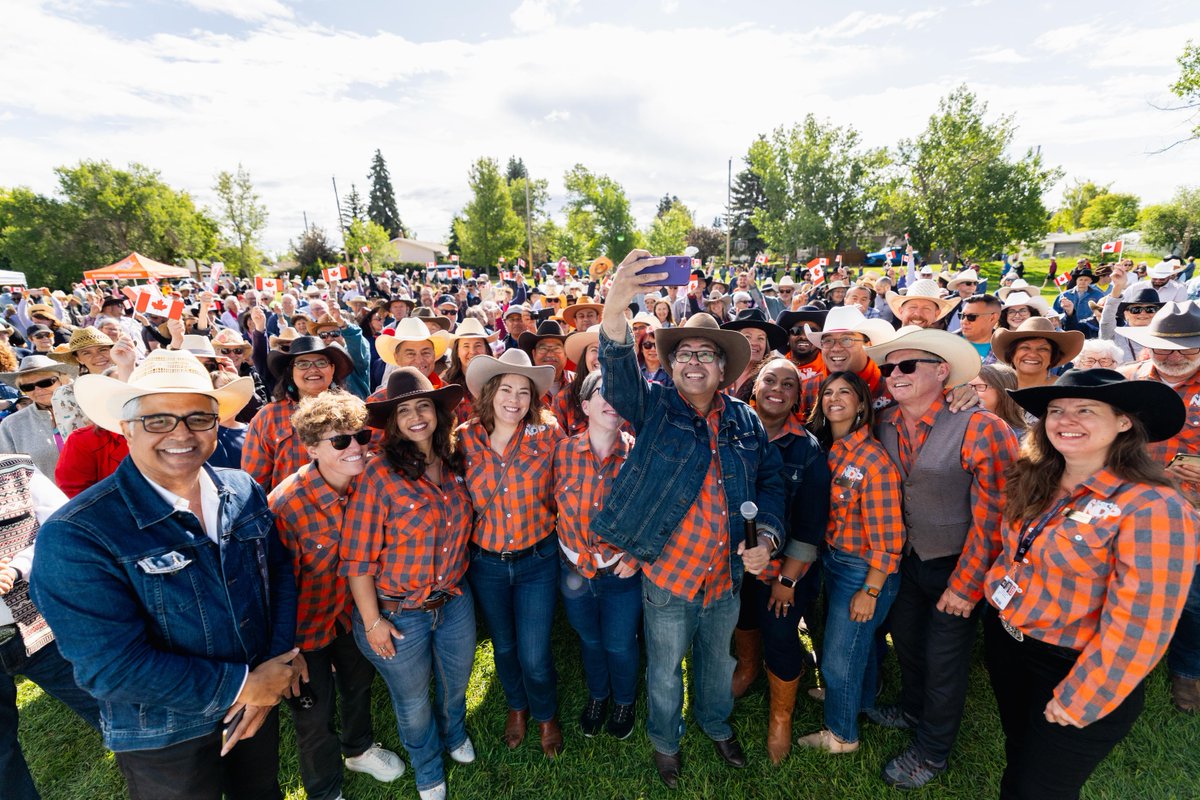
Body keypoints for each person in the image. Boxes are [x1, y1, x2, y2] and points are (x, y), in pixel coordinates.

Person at [30, 349, 302, 800]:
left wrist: (274, 669)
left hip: (258, 696)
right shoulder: (76, 534)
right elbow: (109, 668)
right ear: (126, 427)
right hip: (161, 731)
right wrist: (245, 685)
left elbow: (277, 573)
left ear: (217, 425)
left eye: (198, 418)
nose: (181, 433)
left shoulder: (242, 487)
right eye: (159, 419)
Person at [594, 251, 785, 789]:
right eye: (684, 354)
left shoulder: (746, 419)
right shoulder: (653, 406)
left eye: (706, 354)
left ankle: (716, 723)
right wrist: (615, 301)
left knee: (716, 661)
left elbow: (769, 483)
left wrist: (767, 537)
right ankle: (664, 740)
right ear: (670, 365)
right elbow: (616, 372)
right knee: (663, 668)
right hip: (669, 573)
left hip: (726, 573)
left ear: (725, 369)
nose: (694, 361)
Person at [984, 370, 1200, 798]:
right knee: (1021, 754)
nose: (1067, 419)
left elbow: (1143, 624)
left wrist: (1083, 696)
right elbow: (1015, 554)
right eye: (1057, 410)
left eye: (1086, 410)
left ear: (1124, 422)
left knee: (1038, 789)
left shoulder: (1153, 505)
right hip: (1010, 641)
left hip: (1076, 665)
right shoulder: (1038, 475)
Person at [863, 327, 1019, 789]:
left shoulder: (982, 426)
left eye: (907, 366)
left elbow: (998, 516)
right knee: (908, 643)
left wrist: (966, 585)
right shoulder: (883, 419)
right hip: (905, 560)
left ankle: (932, 751)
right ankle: (913, 709)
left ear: (942, 372)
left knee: (944, 659)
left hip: (956, 563)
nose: (894, 375)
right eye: (889, 368)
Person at [339, 369, 478, 800]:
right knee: (413, 700)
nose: (416, 416)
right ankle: (427, 766)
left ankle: (454, 732)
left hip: (453, 600)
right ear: (393, 422)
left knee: (457, 681)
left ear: (437, 412)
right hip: (397, 612)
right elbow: (357, 560)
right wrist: (373, 621)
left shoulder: (455, 458)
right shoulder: (379, 474)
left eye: (423, 406)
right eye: (404, 411)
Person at [269, 393, 405, 800]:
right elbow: (275, 590)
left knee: (358, 685)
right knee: (314, 716)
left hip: (350, 615)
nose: (356, 448)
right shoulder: (286, 505)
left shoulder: (368, 483)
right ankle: (325, 791)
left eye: (360, 437)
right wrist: (286, 652)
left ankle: (359, 749)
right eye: (340, 442)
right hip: (303, 633)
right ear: (311, 448)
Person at [458, 349, 565, 757]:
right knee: (503, 647)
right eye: (506, 389)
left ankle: (545, 714)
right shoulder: (463, 437)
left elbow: (567, 488)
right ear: (490, 392)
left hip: (537, 559)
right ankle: (517, 707)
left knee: (534, 653)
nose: (515, 400)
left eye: (524, 391)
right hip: (486, 563)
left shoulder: (548, 434)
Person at [797, 371, 904, 755]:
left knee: (841, 657)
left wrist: (871, 590)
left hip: (863, 570)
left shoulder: (872, 461)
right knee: (859, 644)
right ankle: (856, 701)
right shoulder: (832, 447)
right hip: (837, 561)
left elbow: (889, 539)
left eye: (845, 392)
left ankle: (842, 736)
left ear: (862, 403)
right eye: (828, 392)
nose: (834, 398)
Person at [738, 357, 830, 764]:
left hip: (785, 570)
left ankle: (781, 717)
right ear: (754, 388)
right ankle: (746, 669)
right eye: (769, 380)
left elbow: (811, 526)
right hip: (737, 565)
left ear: (797, 396)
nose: (777, 388)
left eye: (788, 384)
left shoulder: (807, 448)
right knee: (744, 621)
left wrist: (787, 580)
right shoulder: (733, 431)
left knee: (780, 634)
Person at [0, 454, 101, 800]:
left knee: (110, 706)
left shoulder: (17, 471)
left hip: (43, 626)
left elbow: (65, 527)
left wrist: (15, 567)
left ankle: (178, 772)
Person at [1118, 301, 1200, 712]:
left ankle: (1188, 672)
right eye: (1164, 346)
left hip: (1192, 516)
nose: (1174, 355)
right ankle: (1124, 665)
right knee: (1126, 589)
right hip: (1125, 510)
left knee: (1193, 598)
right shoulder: (1126, 380)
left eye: (1188, 347)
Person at [553, 371, 641, 741]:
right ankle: (598, 695)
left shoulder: (638, 454)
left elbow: (653, 511)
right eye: (603, 394)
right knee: (589, 639)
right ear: (585, 406)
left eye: (619, 393)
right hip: (574, 569)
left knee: (620, 642)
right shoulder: (562, 452)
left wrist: (635, 555)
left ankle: (624, 700)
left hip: (619, 572)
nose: (612, 400)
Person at [242, 335, 355, 492]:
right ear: (291, 371)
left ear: (332, 368)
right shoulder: (268, 417)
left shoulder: (353, 410)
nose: (313, 369)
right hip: (289, 513)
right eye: (302, 364)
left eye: (321, 362)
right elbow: (253, 483)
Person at [0, 356, 77, 480]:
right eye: (28, 387)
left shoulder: (84, 409)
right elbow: (9, 475)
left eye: (45, 383)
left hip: (98, 494)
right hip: (49, 498)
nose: (38, 390)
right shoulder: (11, 425)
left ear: (62, 380)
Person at [991, 317, 1084, 390]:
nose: (1032, 354)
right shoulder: (994, 387)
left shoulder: (1065, 390)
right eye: (1025, 348)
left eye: (1042, 349)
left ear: (1053, 356)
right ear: (1012, 353)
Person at [721, 308, 788, 401]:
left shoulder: (771, 378)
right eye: (747, 337)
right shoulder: (720, 372)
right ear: (734, 341)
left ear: (766, 344)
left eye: (760, 338)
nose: (754, 343)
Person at [966, 364, 1026, 435]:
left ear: (1002, 391)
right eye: (969, 386)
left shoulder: (1021, 437)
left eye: (979, 387)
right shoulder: (963, 423)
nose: (972, 392)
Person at [776, 305, 828, 380]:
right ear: (788, 337)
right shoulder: (776, 369)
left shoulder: (831, 369)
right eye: (796, 331)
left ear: (821, 339)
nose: (804, 337)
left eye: (812, 332)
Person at [887, 280, 956, 330]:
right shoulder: (884, 345)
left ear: (936, 314)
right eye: (913, 307)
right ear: (901, 311)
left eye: (926, 309)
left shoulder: (942, 348)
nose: (918, 313)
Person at [957, 293, 1002, 364]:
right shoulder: (946, 341)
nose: (964, 321)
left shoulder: (1006, 352)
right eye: (962, 316)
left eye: (971, 317)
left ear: (992, 318)